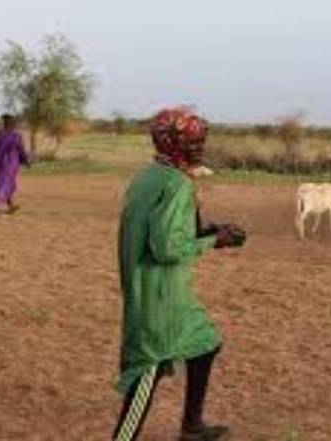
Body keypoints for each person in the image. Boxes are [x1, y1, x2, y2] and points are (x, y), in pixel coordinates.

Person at [112, 107, 245, 441]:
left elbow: (163, 231)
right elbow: (167, 248)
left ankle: (192, 427)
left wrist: (206, 231)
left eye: (202, 140)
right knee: (148, 371)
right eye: (193, 141)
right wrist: (216, 240)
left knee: (205, 343)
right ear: (173, 143)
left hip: (168, 293)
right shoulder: (176, 184)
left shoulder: (150, 175)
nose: (200, 147)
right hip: (158, 297)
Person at [0, 113, 31, 218]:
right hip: (12, 164)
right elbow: (21, 150)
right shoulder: (16, 136)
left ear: (4, 123)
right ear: (12, 124)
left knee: (3, 183)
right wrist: (26, 161)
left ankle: (11, 205)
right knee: (4, 184)